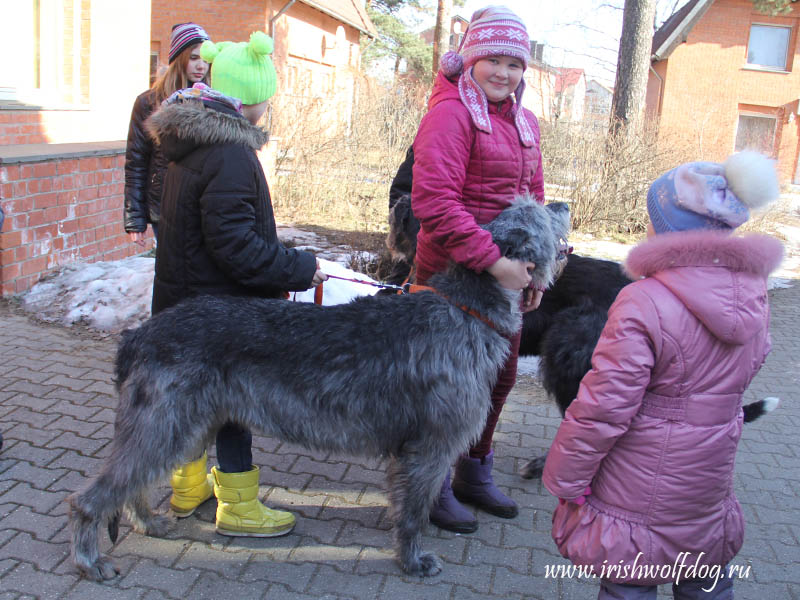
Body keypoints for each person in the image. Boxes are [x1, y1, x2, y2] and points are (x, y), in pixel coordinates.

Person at [542, 151, 784, 599]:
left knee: (629, 585)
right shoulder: (754, 294)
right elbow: (757, 357)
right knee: (705, 580)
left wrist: (566, 477)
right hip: (706, 481)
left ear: (667, 229)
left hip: (635, 485)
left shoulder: (643, 300)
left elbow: (603, 405)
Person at [145, 31, 327, 537]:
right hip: (219, 312)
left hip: (187, 301)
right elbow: (236, 248)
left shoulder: (196, 142)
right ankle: (239, 507)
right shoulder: (229, 153)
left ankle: (187, 488)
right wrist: (297, 267)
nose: (270, 105)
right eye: (268, 95)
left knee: (194, 400)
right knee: (232, 406)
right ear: (249, 98)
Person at [411, 5, 545, 533]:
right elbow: (434, 201)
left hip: (505, 282)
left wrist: (537, 274)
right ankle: (433, 482)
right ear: (470, 60)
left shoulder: (526, 122)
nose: (503, 73)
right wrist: (494, 262)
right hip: (450, 279)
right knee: (447, 387)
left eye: (514, 64)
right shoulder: (450, 114)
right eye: (493, 59)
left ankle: (474, 470)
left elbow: (532, 203)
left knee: (500, 377)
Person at [124, 22, 210, 245]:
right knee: (172, 273)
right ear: (178, 58)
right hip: (164, 206)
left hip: (204, 204)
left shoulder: (215, 100)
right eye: (193, 58)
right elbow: (136, 161)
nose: (201, 66)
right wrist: (135, 218)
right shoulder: (149, 102)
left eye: (206, 59)